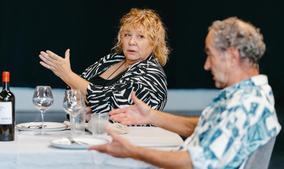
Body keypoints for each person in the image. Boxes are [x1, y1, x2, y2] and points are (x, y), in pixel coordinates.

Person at [90, 17, 282, 169]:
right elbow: (207, 124)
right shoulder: (248, 95)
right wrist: (151, 115)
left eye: (210, 55)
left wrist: (133, 152)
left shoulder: (245, 105)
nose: (206, 65)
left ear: (231, 56)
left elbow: (193, 162)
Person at [38, 8, 169, 114]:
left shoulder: (152, 73)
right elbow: (74, 92)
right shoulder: (111, 59)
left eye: (140, 37)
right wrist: (67, 77)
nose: (131, 42)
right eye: (127, 35)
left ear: (154, 43)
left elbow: (112, 104)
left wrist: (68, 75)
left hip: (129, 141)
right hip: (87, 133)